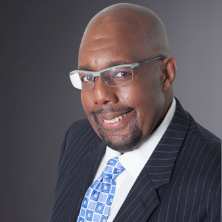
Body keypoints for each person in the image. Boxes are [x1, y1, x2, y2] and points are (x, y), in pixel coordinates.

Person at [48, 3, 221, 222]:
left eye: (120, 73)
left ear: (166, 74)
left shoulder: (216, 180)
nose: (100, 95)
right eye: (87, 77)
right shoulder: (77, 139)